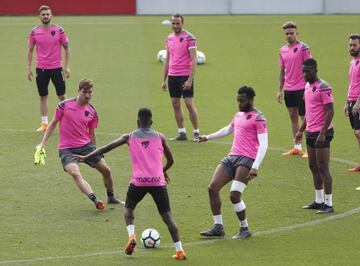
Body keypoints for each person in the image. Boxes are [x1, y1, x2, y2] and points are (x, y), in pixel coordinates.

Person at [76, 108, 187, 260]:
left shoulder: (129, 136)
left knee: (129, 208)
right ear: (151, 122)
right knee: (167, 216)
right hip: (157, 182)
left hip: (138, 182)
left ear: (137, 122)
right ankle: (180, 251)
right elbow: (171, 161)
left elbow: (106, 148)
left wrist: (85, 157)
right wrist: (162, 171)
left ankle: (132, 236)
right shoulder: (160, 137)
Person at [37, 78, 121, 210]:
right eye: (85, 92)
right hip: (67, 149)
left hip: (86, 147)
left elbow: (91, 132)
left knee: (106, 170)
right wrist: (42, 143)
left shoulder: (92, 111)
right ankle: (95, 199)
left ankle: (111, 197)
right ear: (78, 91)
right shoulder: (64, 106)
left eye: (90, 92)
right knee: (75, 173)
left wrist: (95, 150)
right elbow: (53, 124)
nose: (87, 95)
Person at [198, 86, 268, 239]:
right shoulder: (238, 115)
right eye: (238, 100)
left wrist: (255, 166)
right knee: (212, 188)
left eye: (242, 101)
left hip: (247, 159)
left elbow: (264, 144)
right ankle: (218, 227)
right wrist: (208, 137)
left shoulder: (258, 117)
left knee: (235, 194)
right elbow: (227, 129)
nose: (239, 103)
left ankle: (245, 228)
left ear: (251, 100)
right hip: (232, 157)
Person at [296, 59, 334, 214]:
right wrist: (301, 130)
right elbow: (310, 111)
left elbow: (330, 111)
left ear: (315, 70)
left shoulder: (323, 87)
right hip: (310, 132)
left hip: (322, 133)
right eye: (303, 71)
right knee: (312, 166)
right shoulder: (307, 86)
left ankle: (329, 203)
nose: (305, 74)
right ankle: (319, 201)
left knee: (323, 168)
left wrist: (323, 132)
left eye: (308, 71)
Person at [27, 5, 71, 132]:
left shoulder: (59, 30)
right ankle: (44, 124)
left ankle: (68, 121)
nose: (45, 16)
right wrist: (29, 69)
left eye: (47, 14)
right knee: (43, 96)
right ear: (39, 17)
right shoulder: (34, 32)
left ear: (51, 16)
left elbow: (67, 48)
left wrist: (67, 67)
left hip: (57, 68)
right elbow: (30, 51)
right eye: (43, 14)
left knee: (62, 96)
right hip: (41, 69)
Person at [161, 13, 200, 141]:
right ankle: (182, 132)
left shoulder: (189, 38)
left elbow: (194, 59)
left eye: (178, 23)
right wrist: (164, 80)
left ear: (182, 24)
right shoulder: (169, 38)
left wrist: (189, 79)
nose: (175, 25)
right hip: (172, 76)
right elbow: (167, 59)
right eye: (173, 23)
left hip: (184, 75)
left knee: (189, 103)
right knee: (175, 103)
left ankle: (196, 132)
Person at [277, 21, 312, 157]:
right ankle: (297, 146)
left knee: (305, 118)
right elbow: (282, 71)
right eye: (287, 33)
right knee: (293, 117)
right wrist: (280, 90)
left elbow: (310, 68)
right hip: (289, 89)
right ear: (284, 35)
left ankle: (309, 148)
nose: (289, 35)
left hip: (302, 88)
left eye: (292, 33)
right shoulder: (282, 50)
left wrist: (307, 88)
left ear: (297, 33)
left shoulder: (303, 48)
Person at [344, 34, 360, 172]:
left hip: (358, 102)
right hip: (352, 101)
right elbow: (352, 84)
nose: (352, 47)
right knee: (356, 133)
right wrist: (346, 102)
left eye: (355, 45)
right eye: (350, 45)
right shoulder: (352, 62)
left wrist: (357, 103)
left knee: (358, 132)